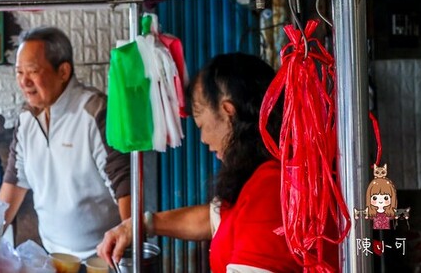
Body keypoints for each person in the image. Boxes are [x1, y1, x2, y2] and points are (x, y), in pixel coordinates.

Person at [97, 52, 328, 273]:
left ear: (229, 112)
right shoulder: (258, 176)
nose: (204, 139)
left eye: (202, 126)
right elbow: (212, 219)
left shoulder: (269, 190)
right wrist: (141, 224)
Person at [0, 26, 131, 259]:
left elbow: (124, 188)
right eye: (19, 72)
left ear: (63, 71)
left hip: (102, 257)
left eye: (32, 71)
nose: (24, 81)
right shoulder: (27, 119)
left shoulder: (95, 112)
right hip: (54, 257)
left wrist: (128, 251)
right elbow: (14, 181)